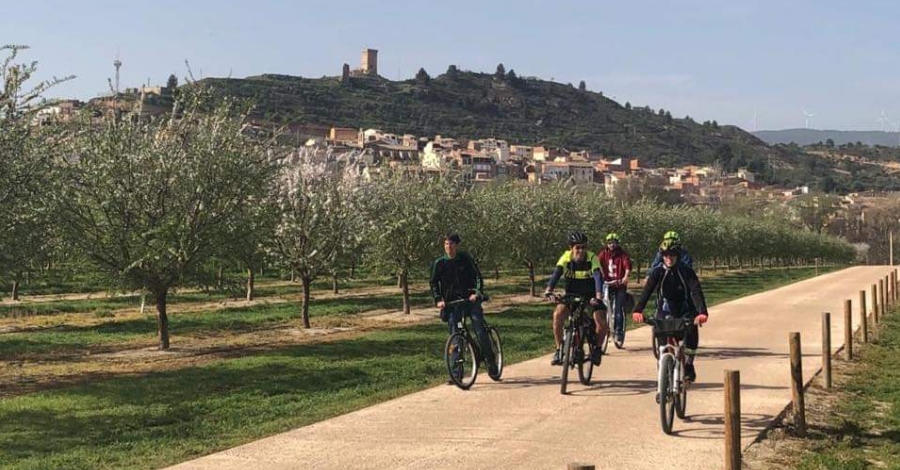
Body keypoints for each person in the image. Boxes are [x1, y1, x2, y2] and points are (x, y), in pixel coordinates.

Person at [632, 238, 709, 382]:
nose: (669, 258)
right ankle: (663, 367)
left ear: (678, 255)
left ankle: (689, 363)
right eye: (665, 255)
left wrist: (702, 312)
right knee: (661, 337)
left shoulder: (686, 271)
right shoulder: (658, 272)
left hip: (685, 309)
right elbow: (647, 291)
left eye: (672, 255)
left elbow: (696, 291)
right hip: (665, 309)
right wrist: (638, 310)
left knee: (691, 330)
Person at [429, 233, 498, 379]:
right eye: (446, 244)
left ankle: (491, 362)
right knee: (455, 336)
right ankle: (456, 373)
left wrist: (476, 292)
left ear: (456, 245)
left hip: (470, 301)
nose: (448, 246)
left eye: (451, 244)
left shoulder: (465, 259)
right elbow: (434, 283)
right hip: (452, 304)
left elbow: (477, 276)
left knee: (479, 328)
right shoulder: (439, 263)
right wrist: (438, 299)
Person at [543, 231, 607, 367]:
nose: (581, 251)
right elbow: (556, 273)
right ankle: (559, 350)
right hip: (571, 294)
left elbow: (597, 277)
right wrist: (549, 290)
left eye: (583, 247)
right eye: (577, 247)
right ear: (571, 248)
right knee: (557, 315)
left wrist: (598, 296)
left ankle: (597, 349)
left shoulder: (592, 258)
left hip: (591, 295)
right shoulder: (566, 258)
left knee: (601, 321)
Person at [598, 232, 632, 348]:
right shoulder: (603, 254)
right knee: (601, 307)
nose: (611, 245)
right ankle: (601, 329)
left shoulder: (623, 254)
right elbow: (597, 265)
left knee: (618, 309)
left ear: (617, 244)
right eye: (609, 243)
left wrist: (625, 277)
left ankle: (618, 331)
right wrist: (599, 276)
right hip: (607, 284)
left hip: (619, 285)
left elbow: (627, 266)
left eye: (613, 243)